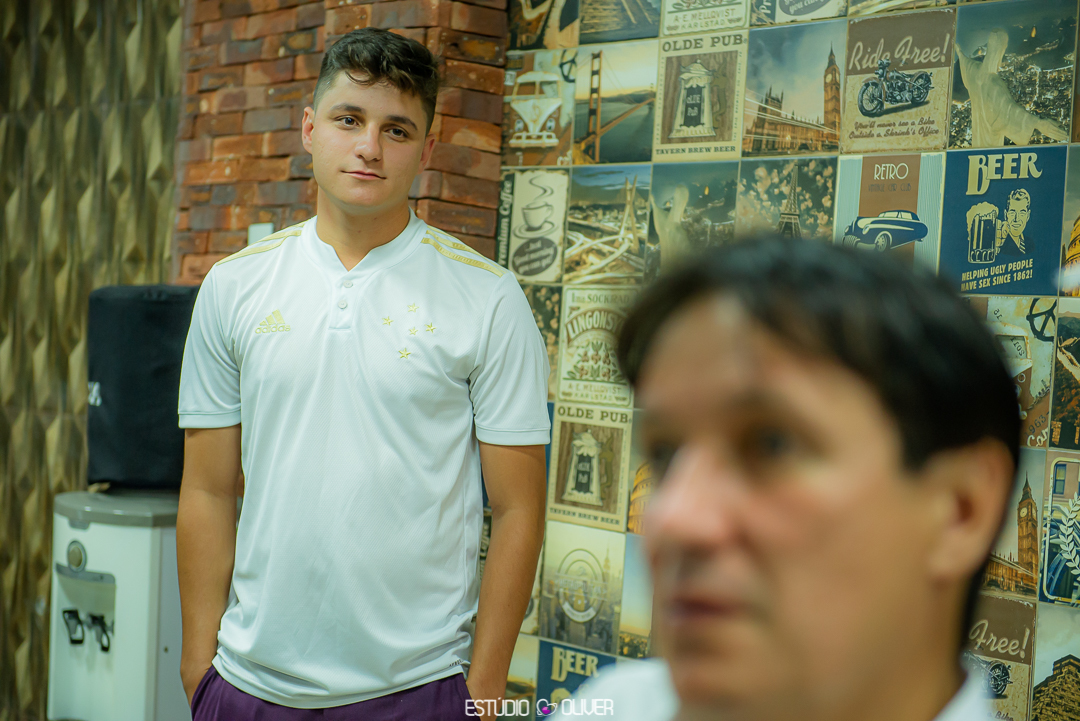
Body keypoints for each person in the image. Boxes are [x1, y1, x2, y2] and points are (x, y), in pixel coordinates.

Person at [176, 28, 550, 721]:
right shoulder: (234, 287)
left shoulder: (489, 299)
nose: (370, 147)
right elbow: (205, 487)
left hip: (419, 691)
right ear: (310, 128)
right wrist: (200, 662)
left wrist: (485, 689)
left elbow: (521, 508)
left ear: (428, 151)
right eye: (350, 119)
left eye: (397, 129)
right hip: (247, 685)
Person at [559, 237, 1016, 721]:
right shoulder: (613, 706)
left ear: (961, 509)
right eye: (667, 455)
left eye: (772, 444)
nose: (673, 518)